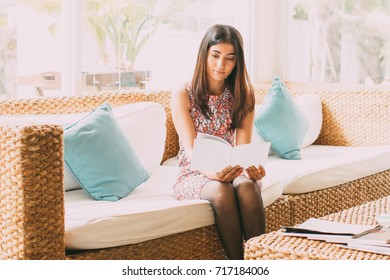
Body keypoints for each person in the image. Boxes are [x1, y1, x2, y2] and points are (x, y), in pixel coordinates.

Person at [170, 24, 266, 260]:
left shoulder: (243, 95)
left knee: (247, 186)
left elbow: (243, 148)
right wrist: (212, 173)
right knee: (222, 191)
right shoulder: (183, 94)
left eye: (230, 59)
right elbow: (191, 150)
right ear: (204, 53)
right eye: (215, 55)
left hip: (229, 168)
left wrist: (253, 169)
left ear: (237, 63)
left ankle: (262, 260)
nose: (221, 65)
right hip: (194, 172)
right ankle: (238, 265)